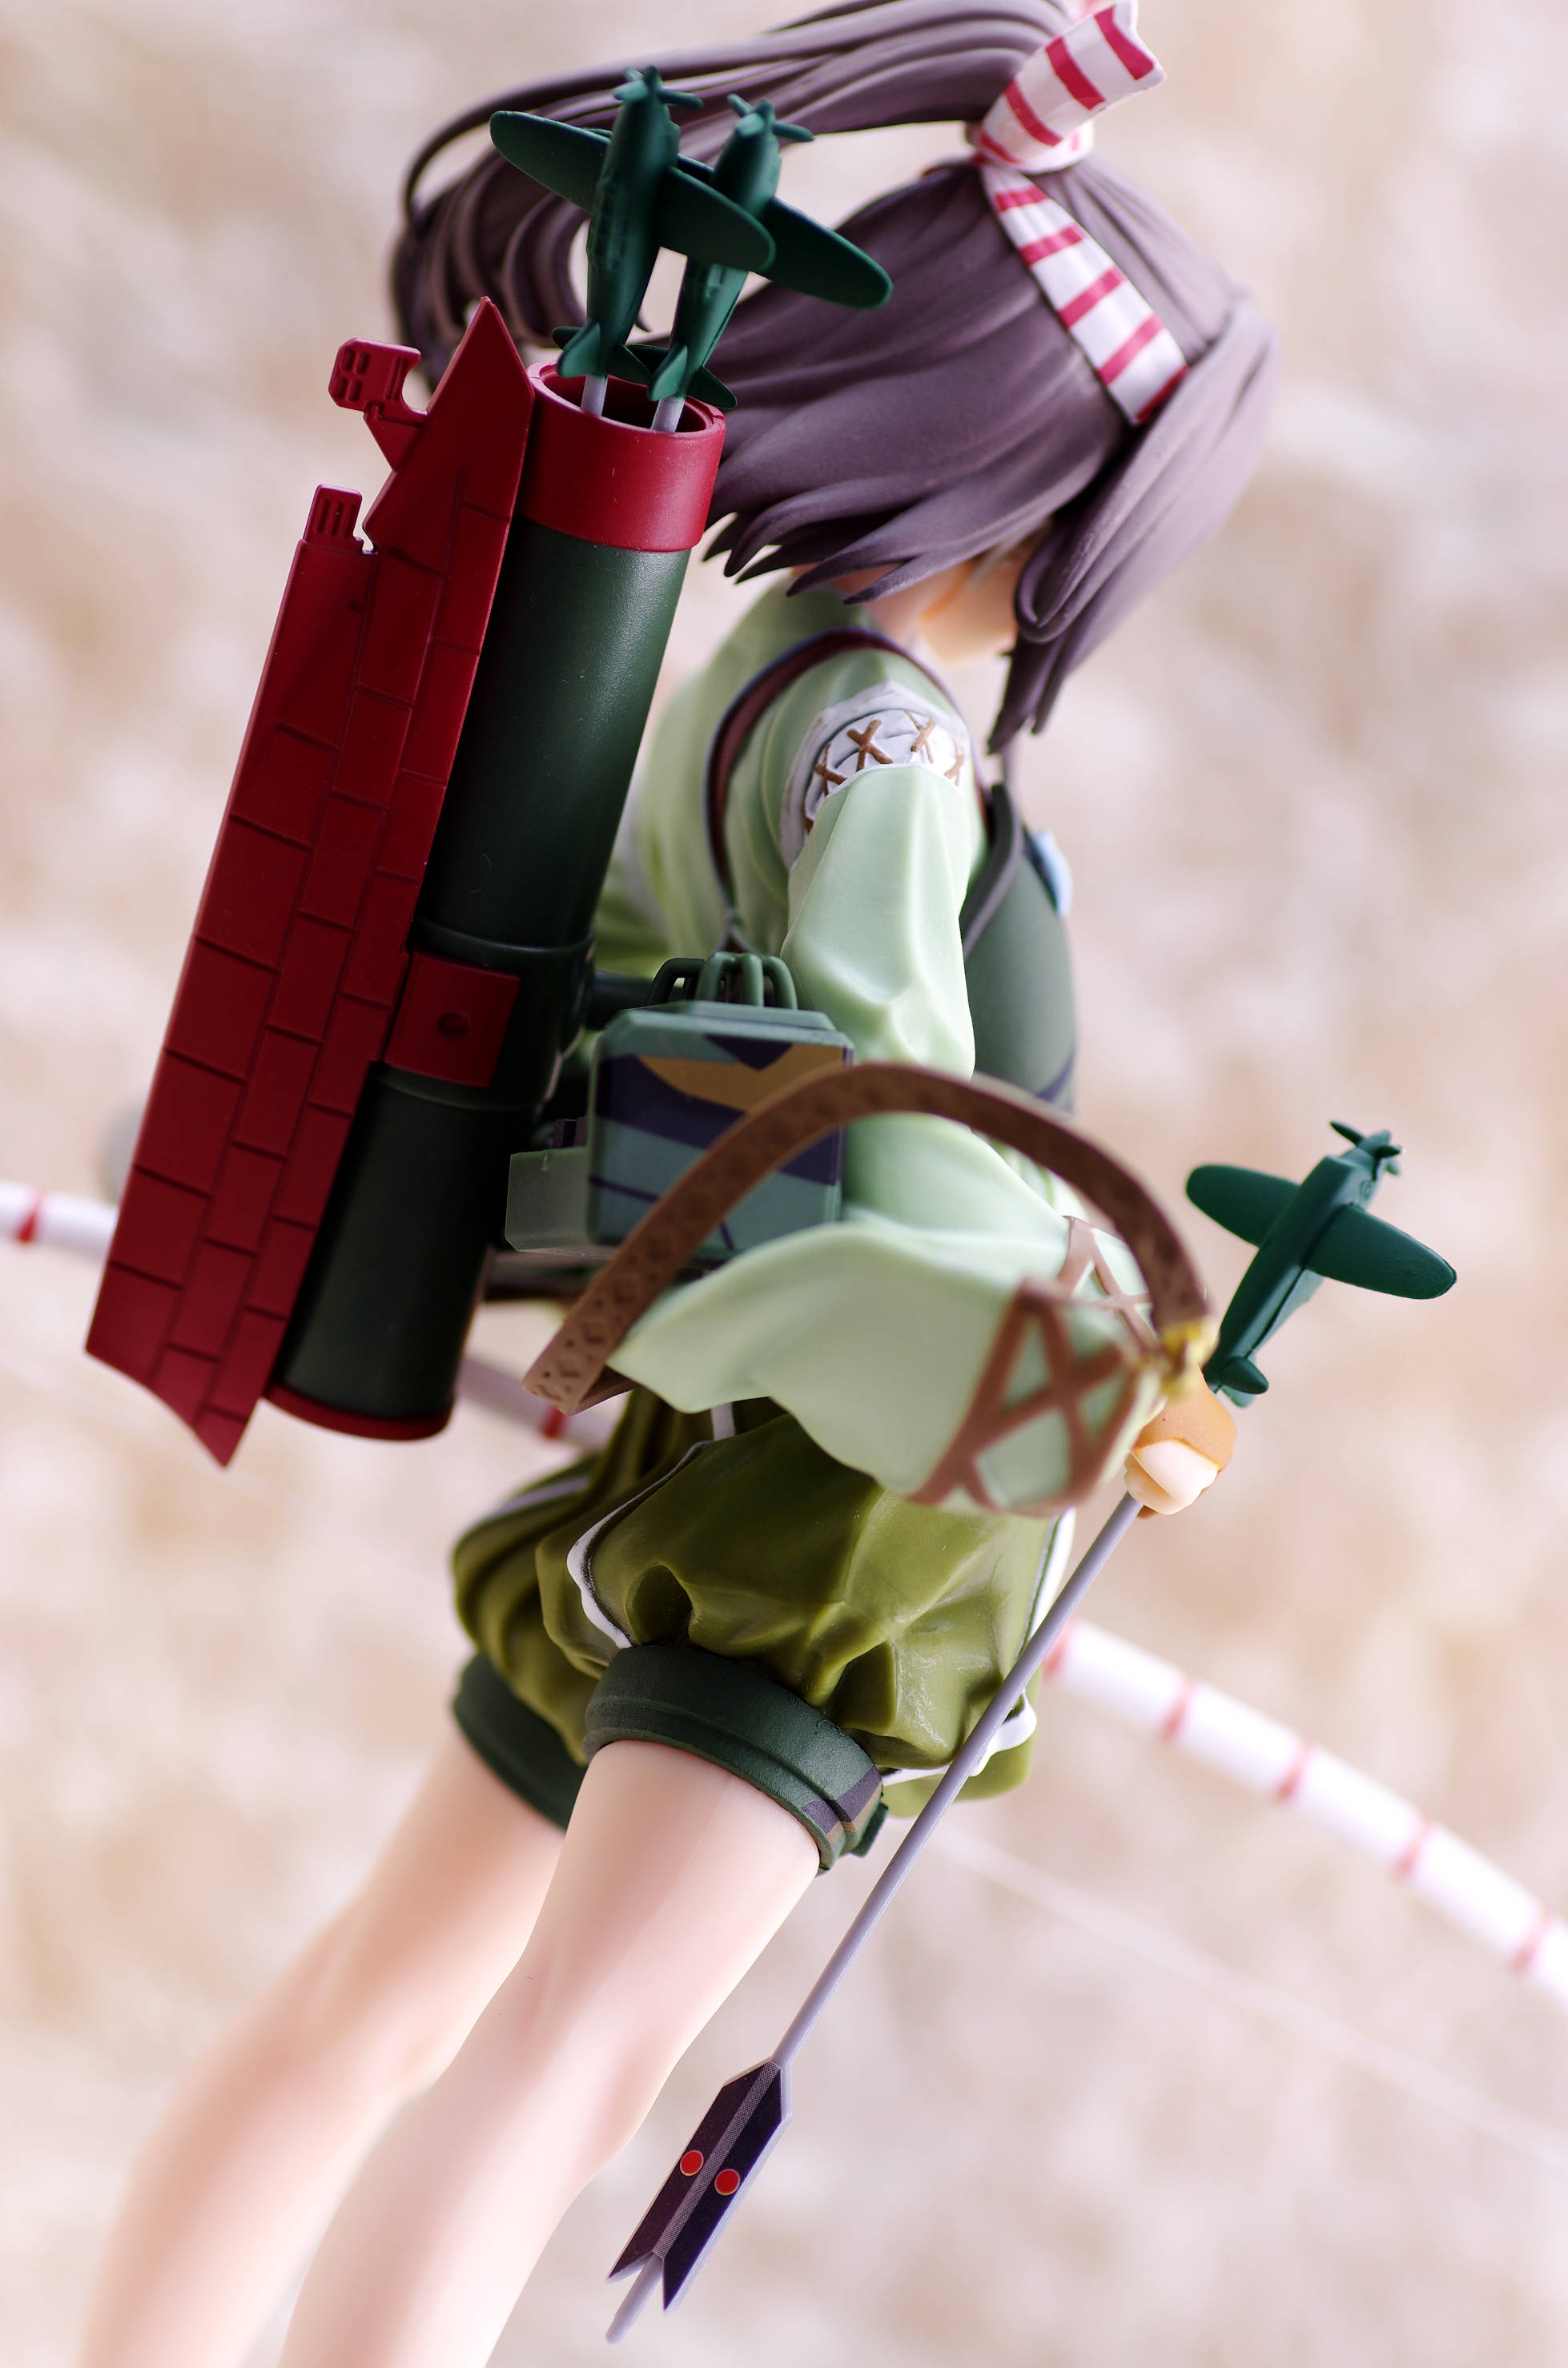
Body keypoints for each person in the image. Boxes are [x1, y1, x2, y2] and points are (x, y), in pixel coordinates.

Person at [73, 7, 1276, 2364]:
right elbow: (893, 1132)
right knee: (562, 2061)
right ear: (1056, 479)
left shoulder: (770, 660)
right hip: (846, 1508)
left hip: (703, 1443)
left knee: (380, 2009)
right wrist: (1086, 1392)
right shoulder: (886, 741)